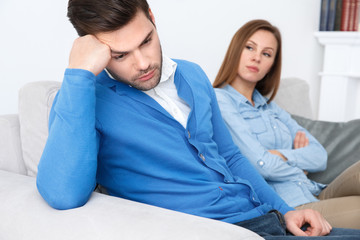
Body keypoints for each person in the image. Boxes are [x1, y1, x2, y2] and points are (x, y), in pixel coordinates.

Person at [35, 0, 360, 238]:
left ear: (152, 16)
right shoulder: (83, 99)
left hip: (268, 219)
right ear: (94, 49)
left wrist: (288, 212)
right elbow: (62, 194)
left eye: (146, 41)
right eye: (120, 55)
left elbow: (230, 155)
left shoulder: (191, 73)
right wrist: (78, 75)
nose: (143, 62)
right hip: (221, 231)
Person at [213, 19, 360, 230]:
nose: (256, 57)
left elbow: (319, 156)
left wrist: (282, 155)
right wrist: (300, 165)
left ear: (272, 65)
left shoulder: (271, 107)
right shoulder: (221, 101)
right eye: (249, 47)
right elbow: (259, 165)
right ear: (236, 50)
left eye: (266, 53)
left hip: (314, 190)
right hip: (294, 207)